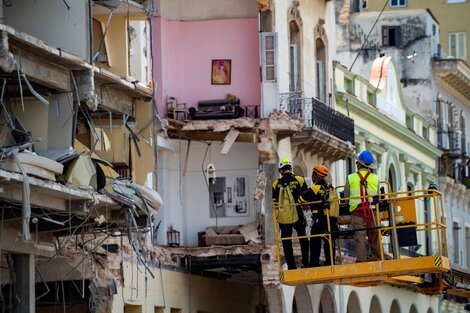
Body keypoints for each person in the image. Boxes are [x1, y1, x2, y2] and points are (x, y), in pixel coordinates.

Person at [344, 150, 381, 263]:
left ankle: (361, 261)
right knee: (375, 237)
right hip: (373, 213)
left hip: (357, 213)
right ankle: (379, 259)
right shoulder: (375, 178)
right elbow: (378, 196)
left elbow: (346, 196)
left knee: (360, 238)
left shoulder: (351, 177)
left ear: (359, 164)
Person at [272, 158, 309, 269]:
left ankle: (291, 266)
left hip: (284, 216)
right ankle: (305, 262)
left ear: (280, 171)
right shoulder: (299, 180)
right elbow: (305, 196)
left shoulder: (276, 184)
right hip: (298, 213)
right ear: (290, 168)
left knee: (286, 241)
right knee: (303, 237)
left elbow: (275, 202)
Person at [299, 165, 338, 267]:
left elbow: (301, 198)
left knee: (315, 240)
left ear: (316, 175)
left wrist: (305, 204)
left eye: (313, 175)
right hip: (331, 217)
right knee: (329, 240)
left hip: (319, 218)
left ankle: (314, 263)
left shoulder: (315, 188)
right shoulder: (330, 187)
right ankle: (330, 262)